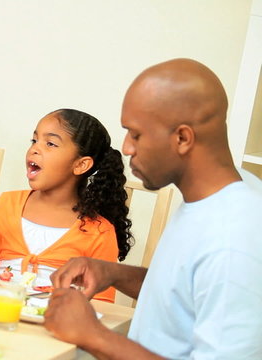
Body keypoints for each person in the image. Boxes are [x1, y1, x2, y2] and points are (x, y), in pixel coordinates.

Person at [45, 59, 262, 359]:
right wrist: (112, 273)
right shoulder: (226, 190)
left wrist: (93, 336)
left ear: (183, 138)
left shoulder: (234, 239)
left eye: (136, 134)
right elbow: (187, 292)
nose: (127, 148)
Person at [0, 109, 133, 302]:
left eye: (50, 143)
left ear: (81, 165)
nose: (34, 149)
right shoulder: (7, 203)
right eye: (34, 141)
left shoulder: (100, 231)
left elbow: (100, 305)